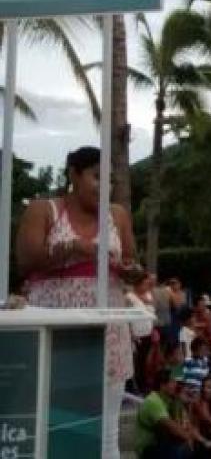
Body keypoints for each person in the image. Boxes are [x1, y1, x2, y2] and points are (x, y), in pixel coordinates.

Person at [15, 145, 139, 459]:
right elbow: (25, 261)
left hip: (108, 330)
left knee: (107, 430)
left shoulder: (118, 215)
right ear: (74, 175)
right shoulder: (44, 210)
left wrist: (131, 271)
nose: (105, 187)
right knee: (47, 418)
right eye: (97, 177)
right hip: (54, 328)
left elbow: (133, 265)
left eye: (110, 181)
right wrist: (71, 248)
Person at [136, 369, 195, 459]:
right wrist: (188, 437)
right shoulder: (154, 401)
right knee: (180, 449)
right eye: (172, 382)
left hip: (162, 444)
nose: (176, 385)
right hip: (148, 449)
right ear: (162, 385)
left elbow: (184, 425)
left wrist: (184, 403)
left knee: (188, 447)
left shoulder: (168, 400)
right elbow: (178, 431)